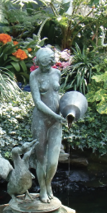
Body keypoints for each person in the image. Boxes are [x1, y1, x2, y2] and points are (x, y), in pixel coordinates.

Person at [30, 47, 66, 203]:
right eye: (40, 64)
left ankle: (48, 183)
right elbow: (38, 102)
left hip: (56, 121)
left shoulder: (57, 73)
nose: (43, 68)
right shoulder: (34, 76)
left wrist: (66, 110)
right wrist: (55, 116)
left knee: (53, 161)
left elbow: (57, 95)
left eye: (46, 64)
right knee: (42, 159)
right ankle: (43, 188)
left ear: (52, 62)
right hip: (40, 121)